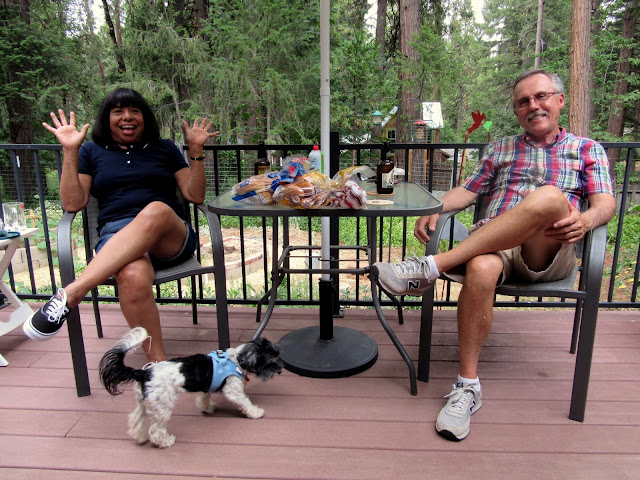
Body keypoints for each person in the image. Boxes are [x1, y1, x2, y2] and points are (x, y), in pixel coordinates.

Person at [372, 70, 616, 441]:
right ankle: (467, 387)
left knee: (551, 197)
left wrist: (586, 220)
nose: (533, 106)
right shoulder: (501, 148)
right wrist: (436, 207)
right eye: (523, 101)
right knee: (482, 268)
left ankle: (432, 267)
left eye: (541, 96)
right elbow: (467, 192)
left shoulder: (586, 149)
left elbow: (605, 203)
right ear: (516, 111)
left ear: (560, 100)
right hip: (494, 245)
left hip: (548, 248)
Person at [23, 88, 219, 363]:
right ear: (107, 118)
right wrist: (70, 150)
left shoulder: (164, 148)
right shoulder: (91, 151)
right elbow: (72, 203)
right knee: (131, 275)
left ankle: (73, 292)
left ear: (145, 118)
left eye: (134, 111)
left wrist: (196, 150)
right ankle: (158, 366)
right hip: (117, 236)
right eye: (118, 111)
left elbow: (194, 195)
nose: (127, 117)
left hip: (169, 237)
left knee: (156, 210)